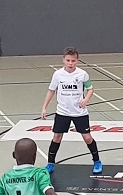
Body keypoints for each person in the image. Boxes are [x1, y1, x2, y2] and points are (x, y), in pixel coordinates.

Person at [40, 47, 102, 175]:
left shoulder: (82, 74)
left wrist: (86, 99)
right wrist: (44, 107)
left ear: (77, 61)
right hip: (62, 112)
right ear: (63, 60)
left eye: (73, 61)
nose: (70, 63)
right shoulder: (58, 75)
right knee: (57, 137)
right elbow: (51, 90)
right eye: (68, 60)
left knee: (87, 137)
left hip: (79, 112)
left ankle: (97, 161)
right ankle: (50, 163)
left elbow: (90, 89)